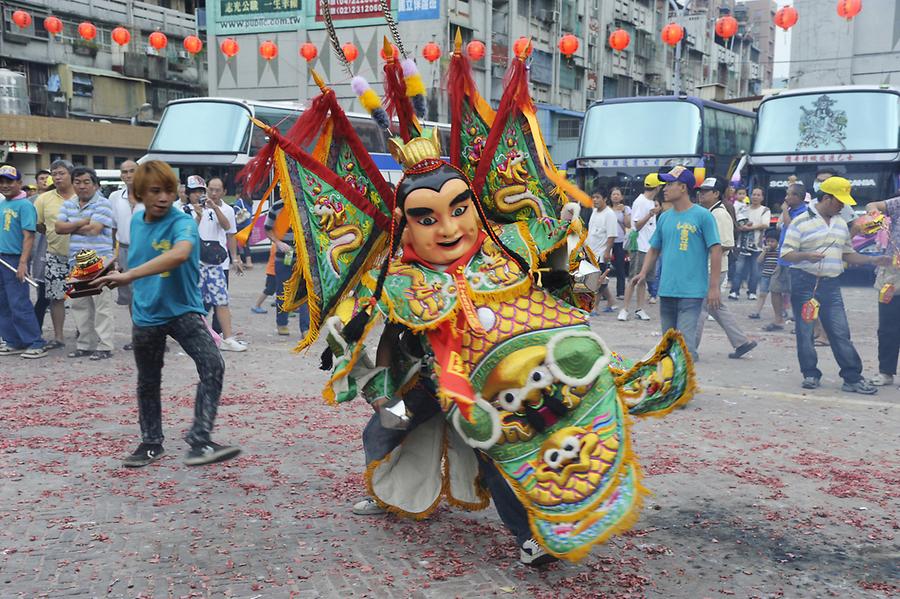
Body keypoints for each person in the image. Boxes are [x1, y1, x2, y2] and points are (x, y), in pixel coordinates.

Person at [92, 160, 240, 467]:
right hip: (146, 313)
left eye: (169, 191)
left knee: (213, 364)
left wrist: (128, 276)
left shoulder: (182, 222)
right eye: (155, 191)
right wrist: (115, 268)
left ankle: (200, 440)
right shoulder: (135, 220)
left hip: (183, 311)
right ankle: (150, 443)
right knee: (148, 380)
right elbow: (136, 258)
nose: (162, 198)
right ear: (140, 194)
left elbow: (180, 253)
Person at [780, 176, 887, 394]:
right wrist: (806, 256)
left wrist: (872, 259)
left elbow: (847, 253)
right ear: (827, 198)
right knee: (805, 330)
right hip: (804, 282)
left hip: (830, 283)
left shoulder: (839, 223)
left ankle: (852, 376)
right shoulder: (801, 221)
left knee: (839, 330)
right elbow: (786, 254)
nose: (843, 206)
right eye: (840, 201)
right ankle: (810, 373)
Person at [632, 166, 722, 360]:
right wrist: (642, 273)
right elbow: (654, 248)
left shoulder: (703, 216)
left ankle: (685, 385)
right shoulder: (664, 218)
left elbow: (716, 249)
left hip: (692, 291)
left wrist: (714, 287)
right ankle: (672, 384)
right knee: (668, 345)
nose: (664, 188)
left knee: (684, 346)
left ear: (683, 188)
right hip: (667, 289)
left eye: (669, 184)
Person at [55, 167, 116, 360]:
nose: (82, 186)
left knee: (101, 306)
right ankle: (85, 345)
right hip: (77, 261)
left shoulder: (104, 204)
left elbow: (95, 230)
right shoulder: (68, 203)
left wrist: (71, 226)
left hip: (99, 261)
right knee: (80, 306)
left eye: (86, 182)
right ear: (73, 184)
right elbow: (58, 228)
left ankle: (105, 346)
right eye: (78, 182)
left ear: (95, 184)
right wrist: (83, 222)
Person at [695, 177, 757, 359]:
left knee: (699, 308)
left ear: (716, 194)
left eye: (706, 191)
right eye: (701, 190)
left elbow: (726, 244)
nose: (701, 194)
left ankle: (689, 349)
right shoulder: (709, 212)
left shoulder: (719, 214)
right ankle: (742, 342)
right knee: (715, 307)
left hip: (711, 268)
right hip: (710, 267)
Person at [185, 176, 247, 352]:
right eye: (208, 190)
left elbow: (229, 230)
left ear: (224, 192)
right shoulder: (185, 210)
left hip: (216, 262)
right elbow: (186, 233)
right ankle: (200, 337)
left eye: (215, 190)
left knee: (221, 300)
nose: (210, 193)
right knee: (198, 303)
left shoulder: (221, 209)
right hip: (195, 263)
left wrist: (235, 258)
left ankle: (225, 337)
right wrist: (197, 216)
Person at [0, 165, 46, 359]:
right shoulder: (2, 204)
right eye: (1, 182)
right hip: (1, 258)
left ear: (19, 183)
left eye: (9, 181)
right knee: (3, 303)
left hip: (15, 259)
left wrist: (23, 263)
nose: (5, 185)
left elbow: (29, 236)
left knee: (19, 302)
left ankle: (35, 341)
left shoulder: (25, 205)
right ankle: (12, 340)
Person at [33, 160, 75, 350]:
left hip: (83, 255)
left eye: (61, 173)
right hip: (55, 254)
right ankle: (58, 337)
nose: (57, 177)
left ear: (71, 174)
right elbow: (39, 225)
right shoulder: (43, 199)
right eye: (54, 174)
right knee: (56, 298)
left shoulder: (82, 195)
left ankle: (86, 334)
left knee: (85, 297)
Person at [863, 195, 900, 387]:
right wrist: (873, 212)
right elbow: (873, 204)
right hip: (892, 276)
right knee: (887, 326)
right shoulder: (898, 203)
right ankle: (886, 372)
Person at [762, 181, 808, 331]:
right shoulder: (788, 210)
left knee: (796, 293)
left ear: (798, 197)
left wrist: (785, 211)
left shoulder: (804, 212)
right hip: (782, 258)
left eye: (789, 194)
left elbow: (791, 228)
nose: (786, 197)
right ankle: (778, 319)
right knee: (774, 288)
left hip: (795, 260)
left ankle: (801, 324)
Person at [264, 196, 311, 336]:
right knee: (283, 291)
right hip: (283, 257)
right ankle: (282, 322)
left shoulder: (306, 204)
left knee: (305, 292)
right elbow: (267, 229)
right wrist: (278, 243)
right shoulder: (277, 207)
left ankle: (305, 328)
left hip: (304, 258)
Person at [618, 174, 661, 321]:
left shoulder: (651, 202)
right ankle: (624, 309)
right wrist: (651, 214)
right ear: (657, 187)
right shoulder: (641, 202)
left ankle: (640, 309)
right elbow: (636, 225)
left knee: (643, 280)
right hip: (640, 246)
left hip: (649, 247)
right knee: (633, 279)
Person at [109, 160, 139, 349]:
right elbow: (112, 228)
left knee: (148, 295)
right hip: (125, 249)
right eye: (124, 172)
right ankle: (138, 336)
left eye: (131, 171)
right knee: (130, 296)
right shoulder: (115, 197)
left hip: (146, 251)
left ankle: (155, 336)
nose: (128, 175)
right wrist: (114, 254)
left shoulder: (150, 194)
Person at [729, 188, 770, 301]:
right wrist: (741, 227)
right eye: (753, 194)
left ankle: (752, 292)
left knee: (755, 271)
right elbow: (738, 222)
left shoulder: (765, 210)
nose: (755, 197)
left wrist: (750, 228)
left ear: (762, 197)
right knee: (738, 269)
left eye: (758, 195)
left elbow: (765, 224)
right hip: (742, 244)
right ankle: (734, 291)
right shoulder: (744, 209)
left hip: (757, 245)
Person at [584, 189, 618, 315]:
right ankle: (611, 302)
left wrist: (607, 252)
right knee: (601, 280)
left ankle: (595, 307)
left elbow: (612, 235)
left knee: (597, 280)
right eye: (593, 197)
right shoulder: (594, 212)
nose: (595, 200)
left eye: (598, 197)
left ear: (605, 199)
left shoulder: (609, 214)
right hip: (591, 251)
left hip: (602, 253)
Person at [749, 230, 781, 320]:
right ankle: (757, 312)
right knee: (762, 294)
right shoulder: (766, 251)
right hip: (765, 275)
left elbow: (780, 263)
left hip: (775, 276)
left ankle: (780, 313)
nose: (770, 243)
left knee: (777, 295)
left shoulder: (779, 251)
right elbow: (759, 261)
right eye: (768, 241)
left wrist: (777, 271)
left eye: (772, 241)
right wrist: (764, 252)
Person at [609, 186, 631, 299]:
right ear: (610, 197)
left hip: (620, 241)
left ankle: (621, 292)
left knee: (620, 267)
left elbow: (628, 224)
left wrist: (623, 212)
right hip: (608, 241)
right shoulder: (607, 209)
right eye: (614, 194)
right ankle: (603, 292)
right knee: (603, 266)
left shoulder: (626, 209)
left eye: (618, 194)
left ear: (621, 196)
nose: (616, 196)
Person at [251, 245, 277, 314]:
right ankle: (256, 305)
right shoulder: (277, 245)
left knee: (282, 287)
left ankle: (278, 301)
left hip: (274, 271)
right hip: (273, 272)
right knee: (269, 289)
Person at [233, 193, 254, 269]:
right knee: (245, 245)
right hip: (248, 227)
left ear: (238, 194)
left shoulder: (239, 202)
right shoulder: (249, 202)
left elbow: (234, 212)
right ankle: (249, 263)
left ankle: (239, 262)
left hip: (240, 227)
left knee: (234, 244)